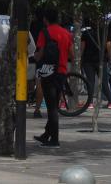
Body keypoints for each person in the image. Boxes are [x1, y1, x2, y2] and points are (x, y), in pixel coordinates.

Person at [34, 8, 73, 149]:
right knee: (54, 104)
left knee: (52, 107)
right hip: (61, 71)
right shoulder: (67, 33)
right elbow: (72, 55)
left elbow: (40, 53)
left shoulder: (45, 32)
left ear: (45, 19)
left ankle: (54, 139)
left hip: (48, 72)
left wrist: (34, 58)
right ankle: (46, 134)